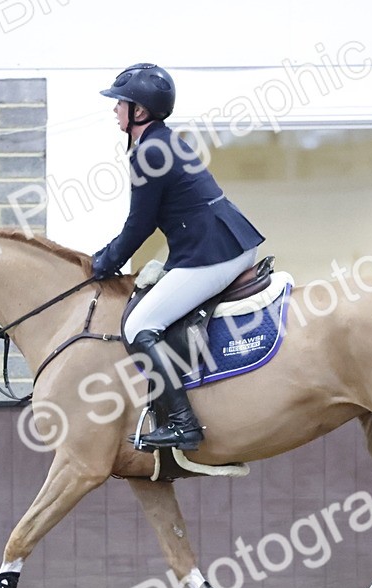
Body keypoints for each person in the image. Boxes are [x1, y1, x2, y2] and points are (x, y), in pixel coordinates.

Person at [92, 63, 265, 450]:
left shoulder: (150, 152)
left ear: (140, 110)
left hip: (213, 253)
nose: (115, 110)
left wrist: (102, 263)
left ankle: (183, 423)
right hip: (222, 242)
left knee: (138, 325)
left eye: (121, 103)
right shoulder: (163, 141)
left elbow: (140, 225)